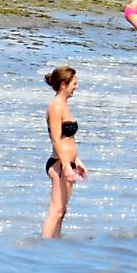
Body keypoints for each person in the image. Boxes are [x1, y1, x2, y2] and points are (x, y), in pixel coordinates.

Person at [42, 67, 86, 239]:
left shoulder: (64, 105)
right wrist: (67, 166)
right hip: (59, 164)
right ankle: (43, 246)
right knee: (56, 210)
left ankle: (56, 246)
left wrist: (78, 161)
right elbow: (55, 139)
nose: (76, 87)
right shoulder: (55, 107)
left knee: (62, 211)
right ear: (63, 84)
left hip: (68, 163)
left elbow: (68, 138)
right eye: (74, 83)